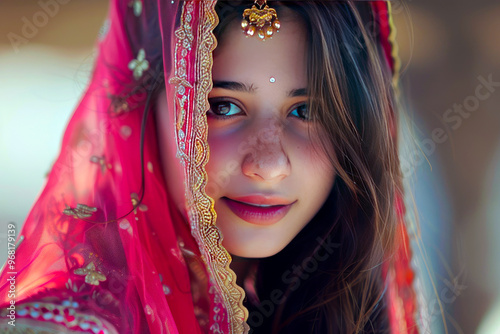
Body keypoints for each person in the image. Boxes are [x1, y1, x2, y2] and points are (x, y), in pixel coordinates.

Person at [0, 0, 419, 333]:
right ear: (139, 114)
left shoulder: (316, 310)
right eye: (222, 106)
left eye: (307, 110)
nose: (269, 165)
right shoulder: (55, 327)